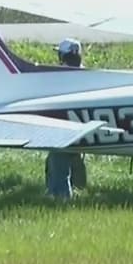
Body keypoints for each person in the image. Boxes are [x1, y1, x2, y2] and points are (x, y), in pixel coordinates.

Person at [45, 38, 88, 198]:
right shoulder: (87, 74)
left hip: (65, 128)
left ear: (63, 57)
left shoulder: (61, 77)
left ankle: (60, 197)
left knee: (58, 163)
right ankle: (78, 188)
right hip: (84, 128)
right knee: (74, 160)